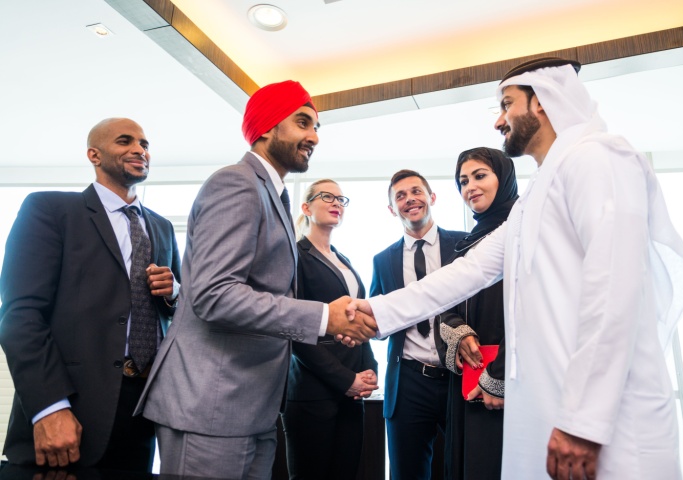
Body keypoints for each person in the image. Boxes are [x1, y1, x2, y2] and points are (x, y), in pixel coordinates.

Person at [346, 58, 683, 479]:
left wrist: (583, 423)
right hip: (552, 408)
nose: (498, 120)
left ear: (543, 103)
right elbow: (466, 273)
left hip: (608, 422)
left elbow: (614, 292)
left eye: (506, 104)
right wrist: (376, 312)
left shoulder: (597, 159)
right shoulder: (533, 200)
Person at [135, 80, 377, 480]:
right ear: (266, 127)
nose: (313, 136)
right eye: (302, 123)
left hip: (253, 406)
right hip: (211, 406)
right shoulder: (236, 182)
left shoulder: (273, 194)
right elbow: (214, 296)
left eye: (316, 127)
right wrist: (322, 318)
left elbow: (269, 298)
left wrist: (332, 329)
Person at [0, 118, 181, 472]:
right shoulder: (50, 209)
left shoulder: (161, 226)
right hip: (71, 406)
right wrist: (50, 407)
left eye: (144, 144)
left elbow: (181, 314)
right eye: (125, 141)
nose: (139, 150)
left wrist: (174, 292)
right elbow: (20, 315)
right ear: (94, 155)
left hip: (144, 408)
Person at [369, 170, 465, 480]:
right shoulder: (382, 261)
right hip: (408, 381)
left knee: (467, 466)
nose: (409, 198)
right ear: (391, 209)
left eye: (416, 191)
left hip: (459, 376)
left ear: (431, 197)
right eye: (400, 195)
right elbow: (377, 321)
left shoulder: (464, 245)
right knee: (407, 473)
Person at [280, 179, 379, 480]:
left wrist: (369, 368)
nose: (337, 203)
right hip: (312, 393)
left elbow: (357, 322)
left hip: (351, 394)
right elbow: (294, 328)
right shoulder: (294, 256)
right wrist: (345, 379)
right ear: (306, 207)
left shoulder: (344, 260)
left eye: (341, 199)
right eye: (327, 196)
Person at [438, 147, 515, 480]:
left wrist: (497, 378)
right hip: (469, 388)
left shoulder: (524, 232)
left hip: (512, 385)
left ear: (505, 178)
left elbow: (536, 317)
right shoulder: (468, 245)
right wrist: (459, 332)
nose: (470, 187)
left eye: (480, 175)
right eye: (463, 181)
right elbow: (444, 307)